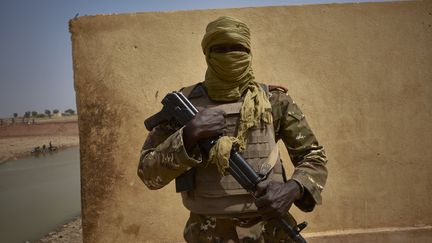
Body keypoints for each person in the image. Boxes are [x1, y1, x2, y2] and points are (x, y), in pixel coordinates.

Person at [138, 16, 328, 242]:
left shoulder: (273, 101)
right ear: (208, 53)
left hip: (271, 231)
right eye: (221, 48)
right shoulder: (185, 106)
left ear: (248, 52)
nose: (230, 55)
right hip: (207, 234)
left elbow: (313, 155)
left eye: (237, 48)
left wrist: (293, 188)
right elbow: (148, 174)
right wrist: (188, 135)